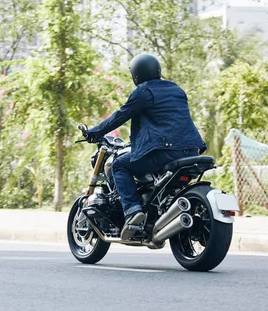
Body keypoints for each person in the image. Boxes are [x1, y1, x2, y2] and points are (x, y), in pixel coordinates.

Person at [84, 53, 206, 240]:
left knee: (120, 165)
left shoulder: (144, 91)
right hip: (191, 150)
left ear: (136, 75)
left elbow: (120, 116)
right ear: (158, 71)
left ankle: (133, 212)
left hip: (164, 151)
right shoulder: (176, 90)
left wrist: (94, 133)